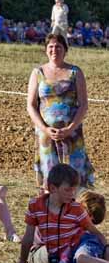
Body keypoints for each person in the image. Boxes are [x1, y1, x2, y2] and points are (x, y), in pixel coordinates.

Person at [27, 32, 94, 191]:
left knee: (74, 174)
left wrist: (70, 128)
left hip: (72, 132)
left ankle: (75, 210)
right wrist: (45, 129)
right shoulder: (38, 73)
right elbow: (31, 105)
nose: (54, 50)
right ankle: (50, 208)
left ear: (65, 49)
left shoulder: (75, 72)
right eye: (50, 46)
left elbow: (83, 104)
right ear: (45, 50)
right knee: (50, 174)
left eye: (58, 46)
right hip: (46, 134)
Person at [18, 164, 104, 263]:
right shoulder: (35, 205)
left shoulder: (76, 209)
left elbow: (95, 232)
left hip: (72, 252)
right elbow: (28, 238)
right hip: (52, 253)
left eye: (74, 190)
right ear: (53, 188)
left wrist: (107, 249)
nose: (72, 194)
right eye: (67, 190)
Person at [68, 192, 109, 263]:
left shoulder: (89, 234)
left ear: (90, 217)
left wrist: (106, 248)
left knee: (81, 259)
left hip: (86, 243)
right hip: (75, 251)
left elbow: (100, 236)